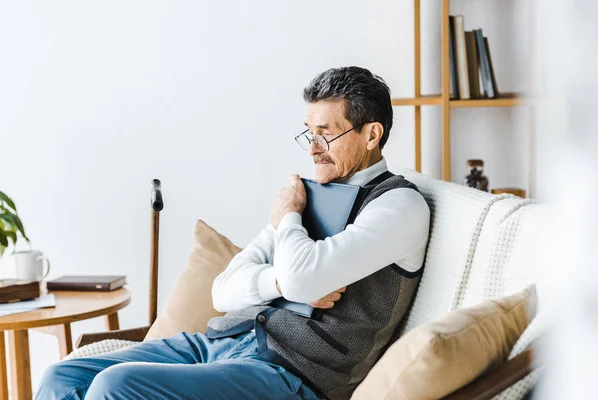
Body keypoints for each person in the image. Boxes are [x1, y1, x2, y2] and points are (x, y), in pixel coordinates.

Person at [36, 66, 430, 400]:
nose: (312, 149)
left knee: (117, 385)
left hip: (292, 372)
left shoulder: (398, 206)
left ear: (372, 134)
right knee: (63, 376)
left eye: (325, 133)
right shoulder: (311, 193)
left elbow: (303, 277)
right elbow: (223, 290)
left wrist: (289, 218)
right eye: (308, 132)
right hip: (224, 341)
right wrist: (277, 280)